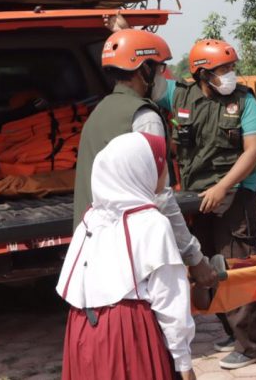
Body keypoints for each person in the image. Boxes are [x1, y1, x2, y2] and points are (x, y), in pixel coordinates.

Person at [158, 38, 256, 370]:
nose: (230, 75)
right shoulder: (178, 95)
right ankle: (230, 328)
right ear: (202, 74)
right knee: (206, 262)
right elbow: (143, 77)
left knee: (236, 263)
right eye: (223, 69)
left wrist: (223, 187)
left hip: (236, 191)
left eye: (232, 67)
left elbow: (254, 151)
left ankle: (253, 346)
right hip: (194, 195)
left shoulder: (244, 102)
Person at [75, 25, 217, 286]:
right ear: (143, 70)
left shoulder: (99, 111)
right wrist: (195, 258)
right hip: (131, 254)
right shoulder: (144, 117)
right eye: (160, 68)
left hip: (93, 246)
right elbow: (160, 196)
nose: (164, 76)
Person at [58, 132, 196, 380]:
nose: (164, 171)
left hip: (82, 333)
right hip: (128, 333)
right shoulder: (152, 224)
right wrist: (183, 363)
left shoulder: (90, 221)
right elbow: (169, 301)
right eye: (159, 162)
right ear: (139, 170)